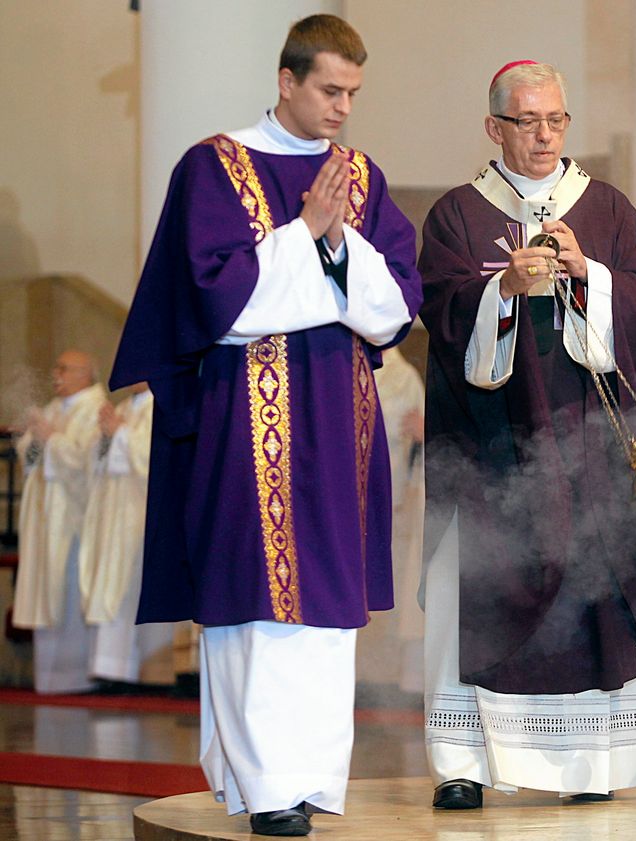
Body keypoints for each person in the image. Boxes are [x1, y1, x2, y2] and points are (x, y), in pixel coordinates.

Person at [108, 14, 420, 836]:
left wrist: (332, 255)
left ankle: (311, 777)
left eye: (352, 93)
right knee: (257, 599)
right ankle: (265, 783)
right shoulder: (213, 167)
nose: (341, 108)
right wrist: (310, 240)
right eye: (328, 90)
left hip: (339, 416)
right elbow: (217, 300)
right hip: (246, 420)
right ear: (286, 82)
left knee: (325, 608)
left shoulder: (360, 175)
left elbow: (393, 310)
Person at [417, 60, 636, 809]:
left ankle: (584, 768)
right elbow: (438, 313)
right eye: (527, 120)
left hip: (588, 447)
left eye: (556, 120)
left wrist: (590, 274)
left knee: (589, 589)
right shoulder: (459, 216)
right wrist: (501, 290)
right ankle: (465, 761)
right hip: (489, 454)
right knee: (477, 586)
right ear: (494, 126)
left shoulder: (608, 212)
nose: (543, 135)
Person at [13, 349, 108, 694]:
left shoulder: (95, 408)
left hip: (73, 519)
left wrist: (51, 438)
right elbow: (29, 455)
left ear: (85, 373)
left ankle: (76, 678)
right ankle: (50, 680)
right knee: (47, 593)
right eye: (56, 367)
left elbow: (88, 461)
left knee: (68, 591)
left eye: (64, 368)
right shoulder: (55, 408)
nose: (56, 374)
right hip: (45, 518)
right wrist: (36, 442)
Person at [80, 383, 176, 692]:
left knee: (137, 587)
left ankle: (149, 673)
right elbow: (95, 463)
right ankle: (113, 670)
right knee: (113, 587)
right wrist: (107, 438)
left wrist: (121, 434)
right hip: (114, 513)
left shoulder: (162, 403)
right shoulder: (121, 409)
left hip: (145, 513)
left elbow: (160, 457)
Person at [355, 345, 427, 694]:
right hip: (350, 496)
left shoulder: (405, 379)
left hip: (393, 502)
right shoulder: (347, 368)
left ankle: (382, 683)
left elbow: (423, 437)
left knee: (390, 588)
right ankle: (357, 679)